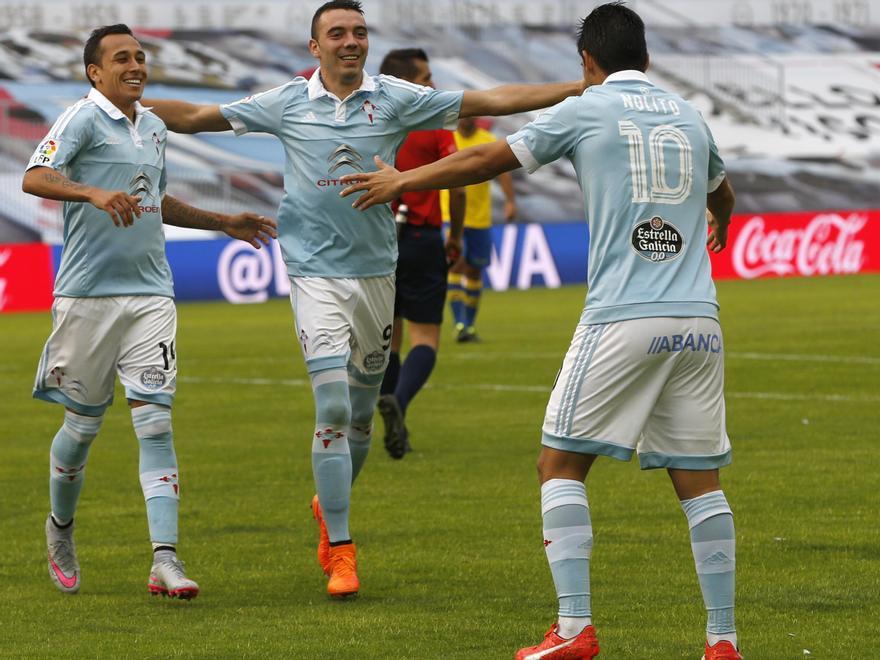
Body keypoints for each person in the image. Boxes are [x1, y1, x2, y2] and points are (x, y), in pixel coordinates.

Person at [143, 0, 586, 599]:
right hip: (313, 272)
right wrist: (125, 106)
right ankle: (343, 552)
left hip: (378, 272)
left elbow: (491, 100)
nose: (350, 41)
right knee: (330, 408)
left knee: (358, 419)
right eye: (337, 33)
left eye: (359, 31)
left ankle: (330, 505)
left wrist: (580, 87)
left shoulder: (397, 97)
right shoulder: (286, 101)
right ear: (315, 47)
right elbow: (196, 114)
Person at [339, 3, 741, 658]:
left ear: (587, 62)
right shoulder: (689, 115)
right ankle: (723, 640)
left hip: (624, 315)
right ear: (647, 56)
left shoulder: (586, 108)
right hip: (699, 320)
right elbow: (722, 190)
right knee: (699, 479)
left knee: (558, 463)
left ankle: (576, 630)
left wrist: (402, 180)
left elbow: (487, 161)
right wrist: (718, 220)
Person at [23, 24, 277, 600]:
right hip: (88, 294)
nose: (136, 64)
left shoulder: (154, 125)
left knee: (156, 421)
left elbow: (154, 199)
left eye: (140, 56)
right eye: (122, 58)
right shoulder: (80, 119)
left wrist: (223, 222)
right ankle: (60, 527)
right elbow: (33, 176)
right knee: (82, 428)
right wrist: (90, 192)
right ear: (95, 72)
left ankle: (165, 559)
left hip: (150, 294)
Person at [374, 48, 466, 460]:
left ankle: (388, 406)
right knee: (425, 337)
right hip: (423, 238)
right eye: (426, 78)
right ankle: (400, 403)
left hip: (378, 242)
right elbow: (459, 183)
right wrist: (456, 235)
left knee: (388, 340)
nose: (432, 86)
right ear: (407, 83)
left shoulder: (371, 120)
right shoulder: (432, 120)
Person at [443, 117, 517, 343]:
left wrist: (510, 201)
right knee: (455, 265)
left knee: (475, 270)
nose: (468, 117)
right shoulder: (449, 140)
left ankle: (470, 325)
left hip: (479, 218)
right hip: (452, 217)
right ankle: (459, 324)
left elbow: (503, 173)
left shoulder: (487, 140)